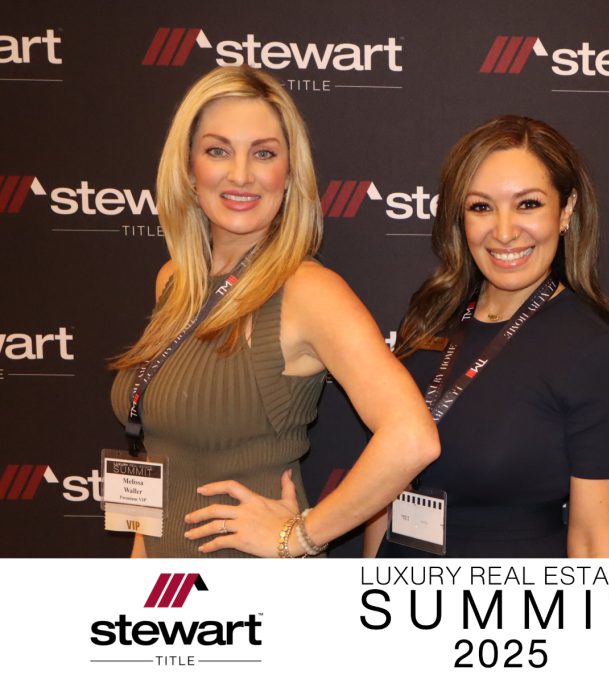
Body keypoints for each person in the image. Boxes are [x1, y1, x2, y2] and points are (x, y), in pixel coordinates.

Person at [110, 66, 439, 558]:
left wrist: (299, 536)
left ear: (288, 175)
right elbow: (163, 463)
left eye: (263, 153)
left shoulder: (308, 291)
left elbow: (413, 437)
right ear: (188, 169)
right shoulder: (174, 280)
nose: (241, 174)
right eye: (218, 150)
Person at [365, 115, 609, 558]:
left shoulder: (594, 355)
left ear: (566, 210)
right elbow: (383, 490)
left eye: (528, 204)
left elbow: (595, 543)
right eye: (481, 207)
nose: (505, 231)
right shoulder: (430, 318)